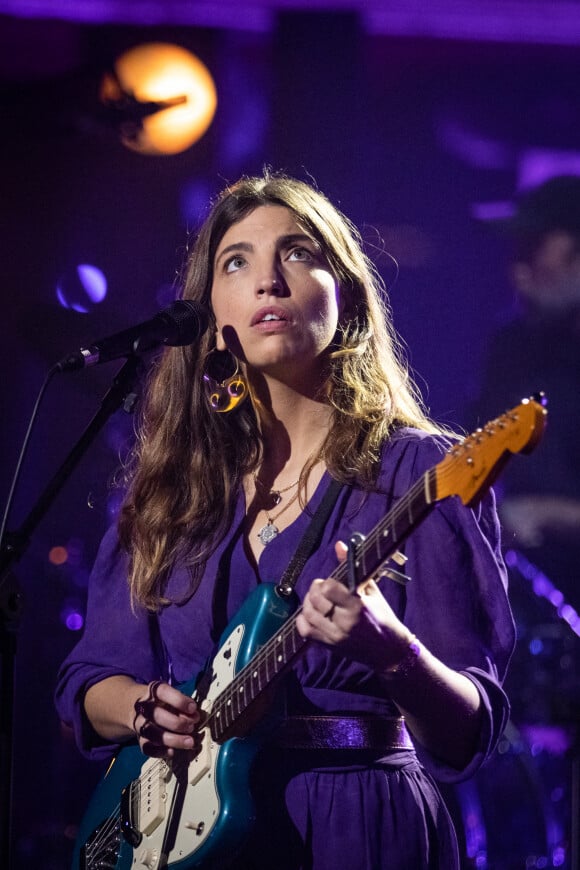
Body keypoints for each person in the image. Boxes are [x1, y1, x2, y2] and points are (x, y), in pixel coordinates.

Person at [55, 172, 515, 869]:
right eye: (235, 261)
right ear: (211, 313)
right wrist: (145, 708)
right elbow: (88, 684)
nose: (268, 279)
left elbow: (470, 732)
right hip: (187, 835)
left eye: (299, 253)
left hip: (357, 824)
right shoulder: (174, 491)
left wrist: (393, 653)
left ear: (346, 295)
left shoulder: (418, 473)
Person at [475, 174, 580, 618]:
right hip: (526, 608)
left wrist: (544, 513)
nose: (518, 269)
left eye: (533, 247)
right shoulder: (511, 345)